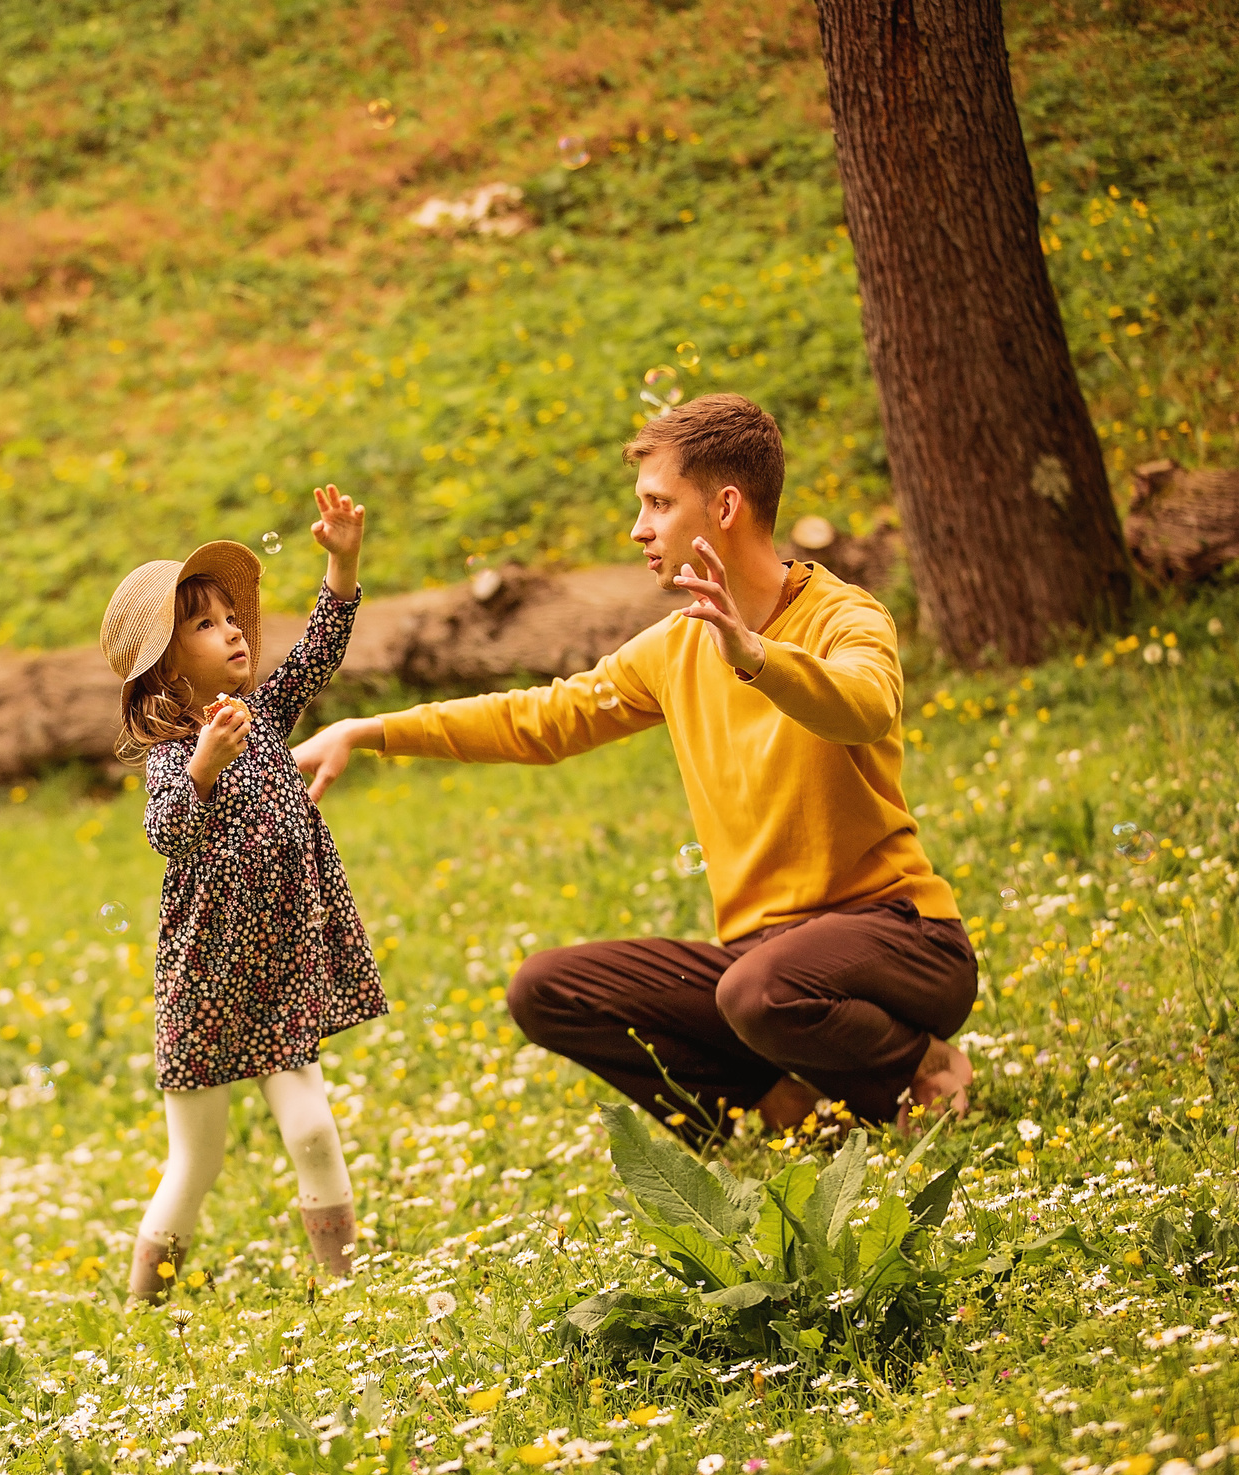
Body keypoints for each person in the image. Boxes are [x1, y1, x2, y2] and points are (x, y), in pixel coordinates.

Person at [291, 395, 975, 1139]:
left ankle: (921, 1067)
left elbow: (866, 705)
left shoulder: (845, 617)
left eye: (657, 503)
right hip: (765, 960)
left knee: (756, 990)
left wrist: (759, 658)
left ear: (725, 506)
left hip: (902, 941)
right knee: (546, 988)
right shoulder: (675, 647)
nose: (638, 528)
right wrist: (371, 729)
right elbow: (542, 719)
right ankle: (788, 1110)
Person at [103, 486, 389, 1302]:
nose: (232, 631)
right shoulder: (173, 751)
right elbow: (166, 830)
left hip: (276, 968)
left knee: (313, 1128)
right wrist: (204, 764)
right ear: (166, 662)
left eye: (233, 617)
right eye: (205, 623)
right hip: (205, 981)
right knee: (198, 1159)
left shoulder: (261, 715)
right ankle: (143, 1307)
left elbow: (318, 654)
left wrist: (343, 561)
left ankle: (344, 1295)